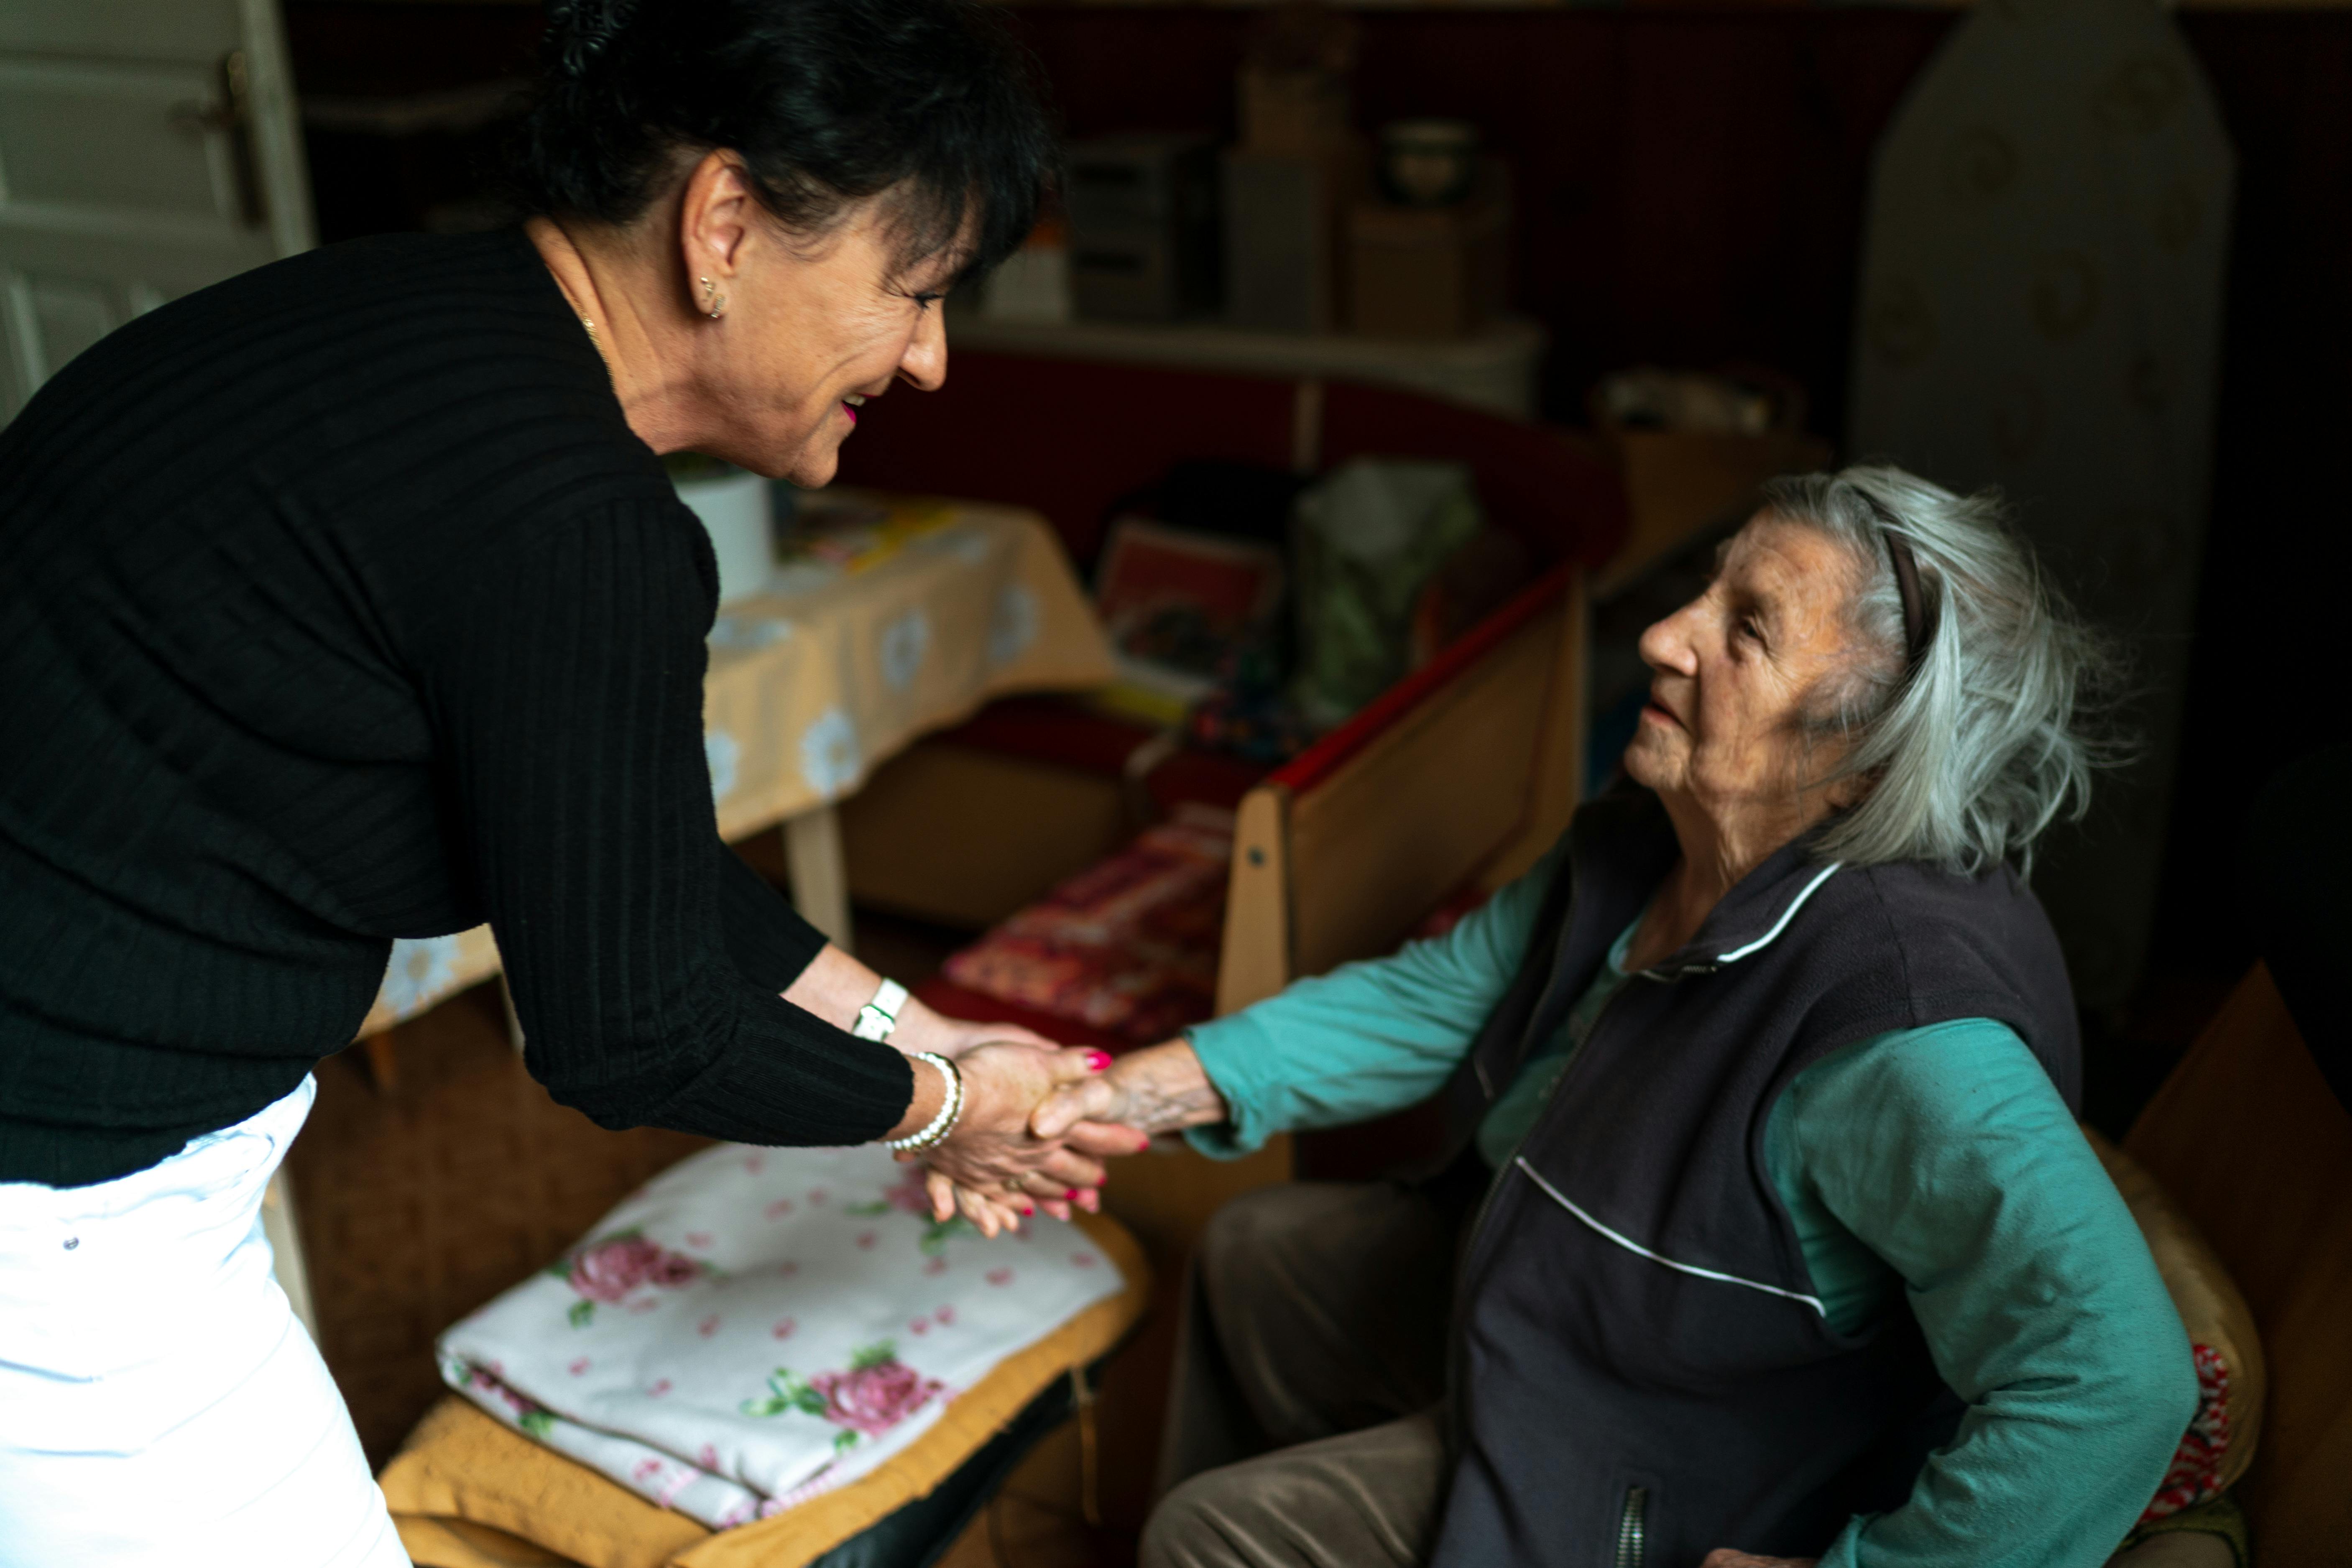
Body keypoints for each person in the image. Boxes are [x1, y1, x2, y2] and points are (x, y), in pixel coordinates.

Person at [0, 2, 1111, 1562]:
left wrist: (915, 1030)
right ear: (723, 223)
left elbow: (612, 852)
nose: (928, 359)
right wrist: (942, 1112)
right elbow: (632, 1030)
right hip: (52, 1205)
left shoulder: (399, 319)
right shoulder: (573, 525)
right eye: (913, 290)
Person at [1035, 467, 2200, 1568]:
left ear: (1860, 759)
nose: (1662, 635)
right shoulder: (1660, 834)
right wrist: (1126, 1092)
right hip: (1568, 1312)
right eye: (1707, 587)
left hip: (1684, 1459)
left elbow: (2117, 1382)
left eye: (1744, 628)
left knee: (1219, 1535)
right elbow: (1442, 993)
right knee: (1259, 1255)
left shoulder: (1899, 1028)